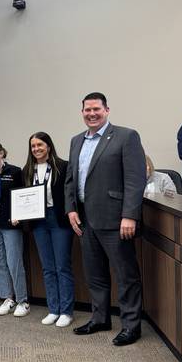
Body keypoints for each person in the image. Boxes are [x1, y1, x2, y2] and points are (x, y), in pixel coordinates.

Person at [64, 92, 146, 346]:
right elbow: (71, 179)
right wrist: (71, 209)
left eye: (96, 109)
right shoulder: (76, 141)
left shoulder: (126, 136)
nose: (91, 114)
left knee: (125, 275)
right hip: (85, 220)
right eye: (87, 110)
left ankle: (131, 326)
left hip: (115, 220)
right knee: (94, 274)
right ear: (82, 113)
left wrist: (129, 215)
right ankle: (100, 318)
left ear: (107, 110)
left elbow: (135, 179)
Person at [23, 133, 75, 327]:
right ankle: (53, 309)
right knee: (47, 267)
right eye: (33, 146)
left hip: (58, 219)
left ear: (49, 146)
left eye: (40, 145)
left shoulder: (63, 166)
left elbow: (70, 194)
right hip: (38, 221)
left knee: (62, 266)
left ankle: (66, 311)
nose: (36, 149)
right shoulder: (28, 170)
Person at [0, 141, 29, 317]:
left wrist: (20, 215)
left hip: (11, 224)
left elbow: (24, 196)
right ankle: (8, 298)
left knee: (14, 262)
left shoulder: (15, 172)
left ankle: (22, 301)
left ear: (1, 153)